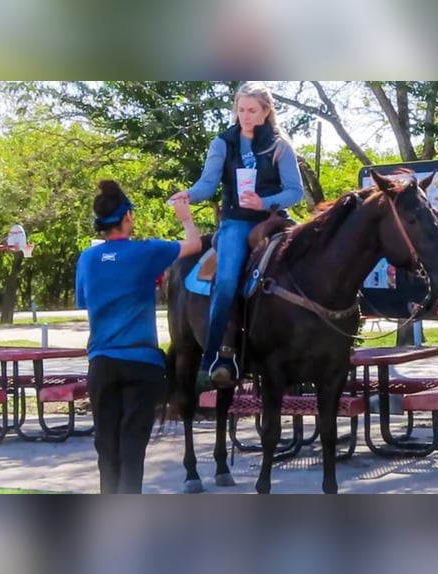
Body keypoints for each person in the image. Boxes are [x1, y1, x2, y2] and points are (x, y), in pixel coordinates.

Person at [169, 81, 304, 393]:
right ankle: (215, 356)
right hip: (236, 222)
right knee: (227, 280)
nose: (245, 116)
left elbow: (295, 192)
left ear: (266, 111)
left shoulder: (281, 146)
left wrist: (267, 202)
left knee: (313, 259)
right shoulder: (223, 143)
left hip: (273, 219)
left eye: (252, 110)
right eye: (241, 109)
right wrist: (188, 194)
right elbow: (207, 185)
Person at [75, 179, 201, 494]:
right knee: (132, 449)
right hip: (141, 364)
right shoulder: (147, 252)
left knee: (107, 448)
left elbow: (85, 300)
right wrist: (185, 217)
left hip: (102, 363)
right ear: (128, 216)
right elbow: (194, 245)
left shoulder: (87, 259)